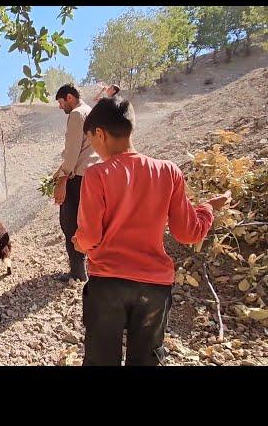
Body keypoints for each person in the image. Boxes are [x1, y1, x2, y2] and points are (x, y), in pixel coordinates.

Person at [72, 97, 230, 366]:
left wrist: (78, 243)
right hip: (154, 288)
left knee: (100, 360)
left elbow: (89, 237)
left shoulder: (97, 175)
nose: (95, 149)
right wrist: (206, 209)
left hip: (108, 285)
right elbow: (188, 232)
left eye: (92, 140)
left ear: (100, 133)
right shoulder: (168, 171)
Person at [52, 84, 101, 282]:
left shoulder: (76, 115)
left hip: (78, 177)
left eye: (60, 102)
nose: (60, 106)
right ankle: (94, 268)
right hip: (94, 175)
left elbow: (72, 153)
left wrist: (62, 180)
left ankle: (78, 271)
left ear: (69, 97)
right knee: (88, 221)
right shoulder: (91, 111)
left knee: (69, 223)